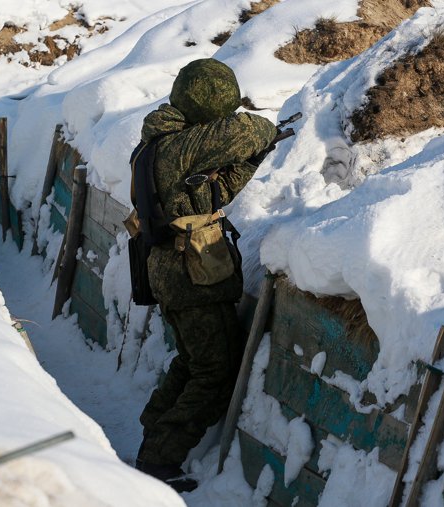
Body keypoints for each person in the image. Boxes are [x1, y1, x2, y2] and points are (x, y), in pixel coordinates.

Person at [133, 58, 277, 492]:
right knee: (214, 372)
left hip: (176, 270)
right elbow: (247, 131)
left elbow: (211, 192)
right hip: (189, 274)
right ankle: (159, 461)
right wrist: (264, 136)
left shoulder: (164, 143)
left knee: (195, 361)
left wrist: (251, 161)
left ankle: (154, 434)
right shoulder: (178, 146)